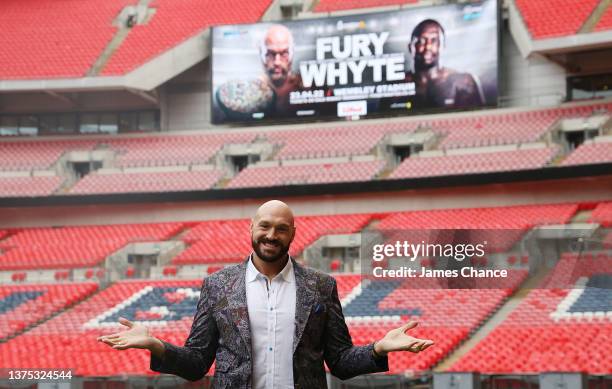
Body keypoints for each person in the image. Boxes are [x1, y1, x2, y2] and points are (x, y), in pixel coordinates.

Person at [98, 200, 434, 388]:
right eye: (265, 226)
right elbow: (197, 363)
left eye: (281, 228)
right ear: (252, 228)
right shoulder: (218, 286)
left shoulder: (320, 286)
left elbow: (341, 363)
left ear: (292, 234)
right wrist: (156, 345)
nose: (271, 235)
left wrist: (378, 348)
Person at [406, 19, 484, 109]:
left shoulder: (463, 82)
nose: (428, 46)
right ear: (410, 47)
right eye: (421, 41)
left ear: (443, 46)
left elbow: (480, 118)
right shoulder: (397, 85)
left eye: (434, 41)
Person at [259, 24, 302, 113]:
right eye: (271, 54)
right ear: (261, 54)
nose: (277, 62)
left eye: (284, 54)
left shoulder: (306, 86)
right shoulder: (251, 90)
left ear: (292, 54)